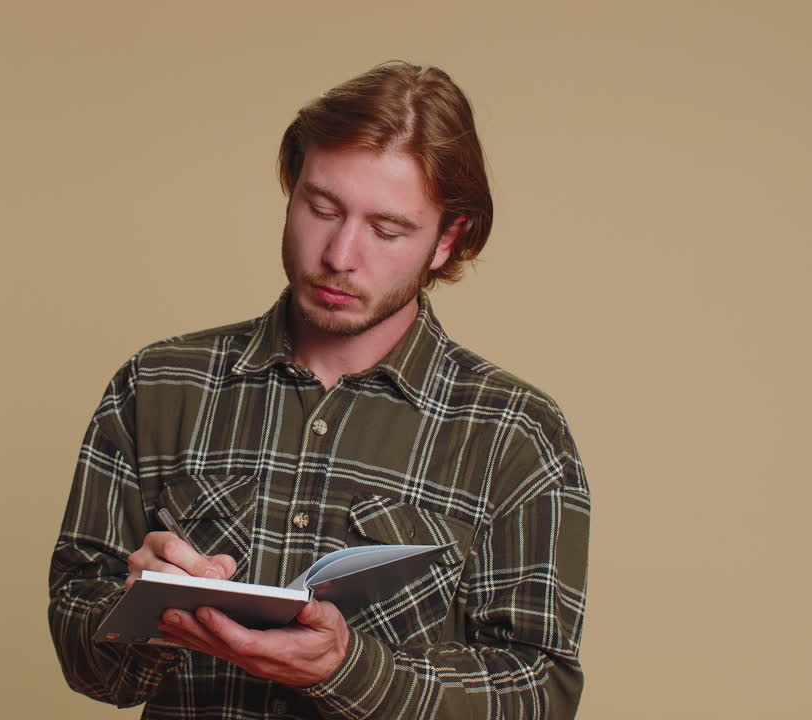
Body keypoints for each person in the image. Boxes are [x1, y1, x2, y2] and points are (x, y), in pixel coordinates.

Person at [48, 61, 590, 719]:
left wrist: (348, 669)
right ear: (292, 187)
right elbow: (84, 655)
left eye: (387, 230)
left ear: (448, 240)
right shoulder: (158, 385)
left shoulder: (515, 433)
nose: (340, 254)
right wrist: (142, 610)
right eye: (322, 208)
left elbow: (541, 696)